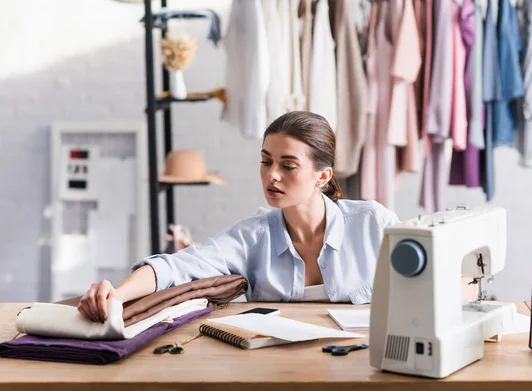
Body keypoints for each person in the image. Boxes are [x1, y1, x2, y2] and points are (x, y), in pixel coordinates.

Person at [77, 111, 400, 322]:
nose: (272, 175)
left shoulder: (374, 224)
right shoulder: (252, 236)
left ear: (322, 176)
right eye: (265, 161)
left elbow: (429, 283)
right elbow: (179, 266)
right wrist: (116, 295)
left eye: (288, 165)